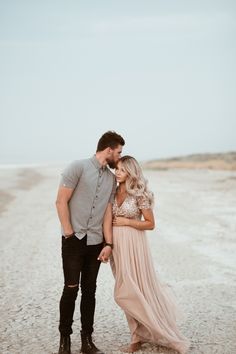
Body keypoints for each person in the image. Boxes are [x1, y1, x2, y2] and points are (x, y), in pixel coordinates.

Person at [103, 156, 190, 353]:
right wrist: (106, 245)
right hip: (117, 247)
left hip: (135, 245)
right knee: (126, 287)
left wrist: (128, 222)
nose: (117, 172)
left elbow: (150, 224)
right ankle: (136, 335)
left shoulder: (139, 194)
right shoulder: (113, 191)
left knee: (133, 289)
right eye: (116, 168)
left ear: (131, 172)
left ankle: (156, 329)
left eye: (122, 170)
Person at [55, 131, 125, 354]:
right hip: (73, 240)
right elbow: (60, 201)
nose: (120, 157)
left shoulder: (111, 179)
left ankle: (87, 341)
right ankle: (64, 340)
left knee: (90, 291)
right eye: (119, 152)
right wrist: (68, 233)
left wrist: (108, 244)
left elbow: (106, 212)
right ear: (109, 150)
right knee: (71, 289)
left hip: (96, 242)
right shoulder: (77, 167)